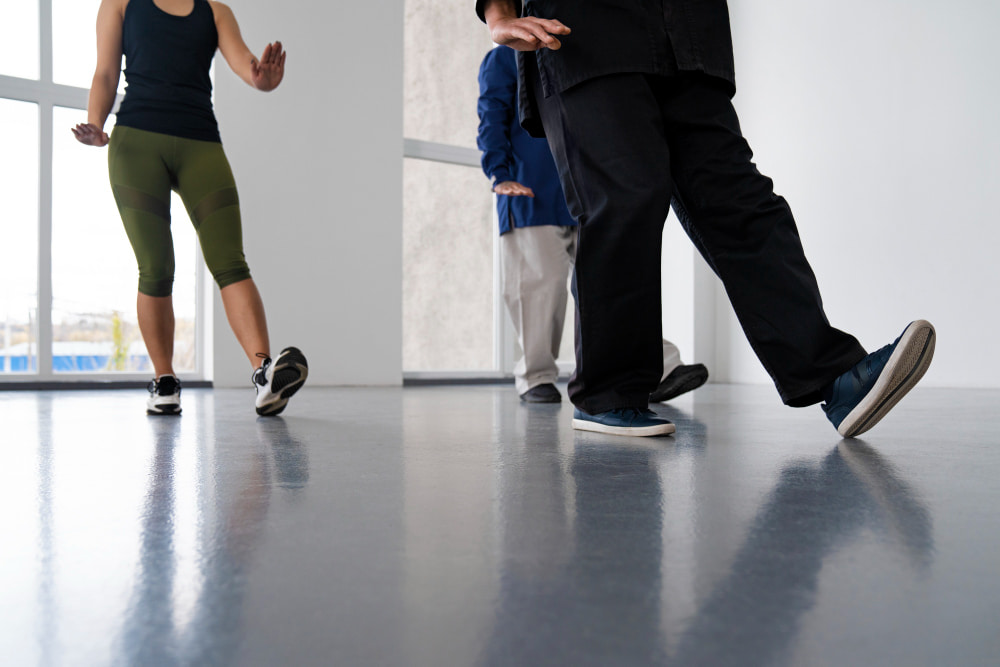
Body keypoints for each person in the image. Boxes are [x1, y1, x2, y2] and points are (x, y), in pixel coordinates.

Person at [475, 0, 935, 437]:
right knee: (625, 196)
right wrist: (498, 12)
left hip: (689, 38)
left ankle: (833, 377)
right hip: (583, 34)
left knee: (740, 199)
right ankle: (607, 393)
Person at [73, 0, 307, 416]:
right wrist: (96, 122)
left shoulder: (215, 11)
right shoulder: (121, 4)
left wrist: (264, 81)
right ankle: (164, 380)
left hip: (201, 143)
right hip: (136, 144)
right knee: (157, 265)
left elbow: (246, 65)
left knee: (230, 260)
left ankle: (264, 376)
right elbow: (106, 72)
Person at [477, 44, 709, 405]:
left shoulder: (580, 52)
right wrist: (498, 171)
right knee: (541, 288)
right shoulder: (506, 57)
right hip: (530, 192)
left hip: (587, 189)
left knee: (612, 283)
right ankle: (535, 376)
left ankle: (660, 367)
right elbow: (491, 113)